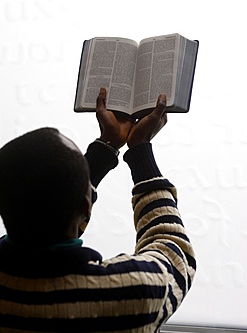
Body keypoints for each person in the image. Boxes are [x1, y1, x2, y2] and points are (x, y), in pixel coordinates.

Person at [0, 88, 196, 332]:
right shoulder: (131, 292)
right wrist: (140, 150)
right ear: (85, 206)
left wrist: (106, 146)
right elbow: (172, 250)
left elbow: (52, 210)